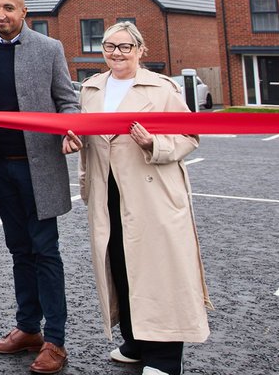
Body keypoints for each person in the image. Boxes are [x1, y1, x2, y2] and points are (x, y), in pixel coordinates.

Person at [62, 22, 210, 375]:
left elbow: (189, 135)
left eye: (125, 47)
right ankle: (135, 342)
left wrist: (154, 144)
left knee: (159, 273)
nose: (117, 53)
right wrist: (74, 141)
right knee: (120, 267)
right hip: (108, 193)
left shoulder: (162, 88)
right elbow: (90, 136)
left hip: (152, 194)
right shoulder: (92, 89)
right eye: (110, 46)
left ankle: (164, 359)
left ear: (141, 50)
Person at [0, 0, 78, 375]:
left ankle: (55, 341)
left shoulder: (49, 49)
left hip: (38, 167)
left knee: (45, 251)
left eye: (8, 8)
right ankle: (28, 328)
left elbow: (67, 101)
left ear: (24, 12)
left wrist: (69, 129)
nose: (0, 14)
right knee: (19, 251)